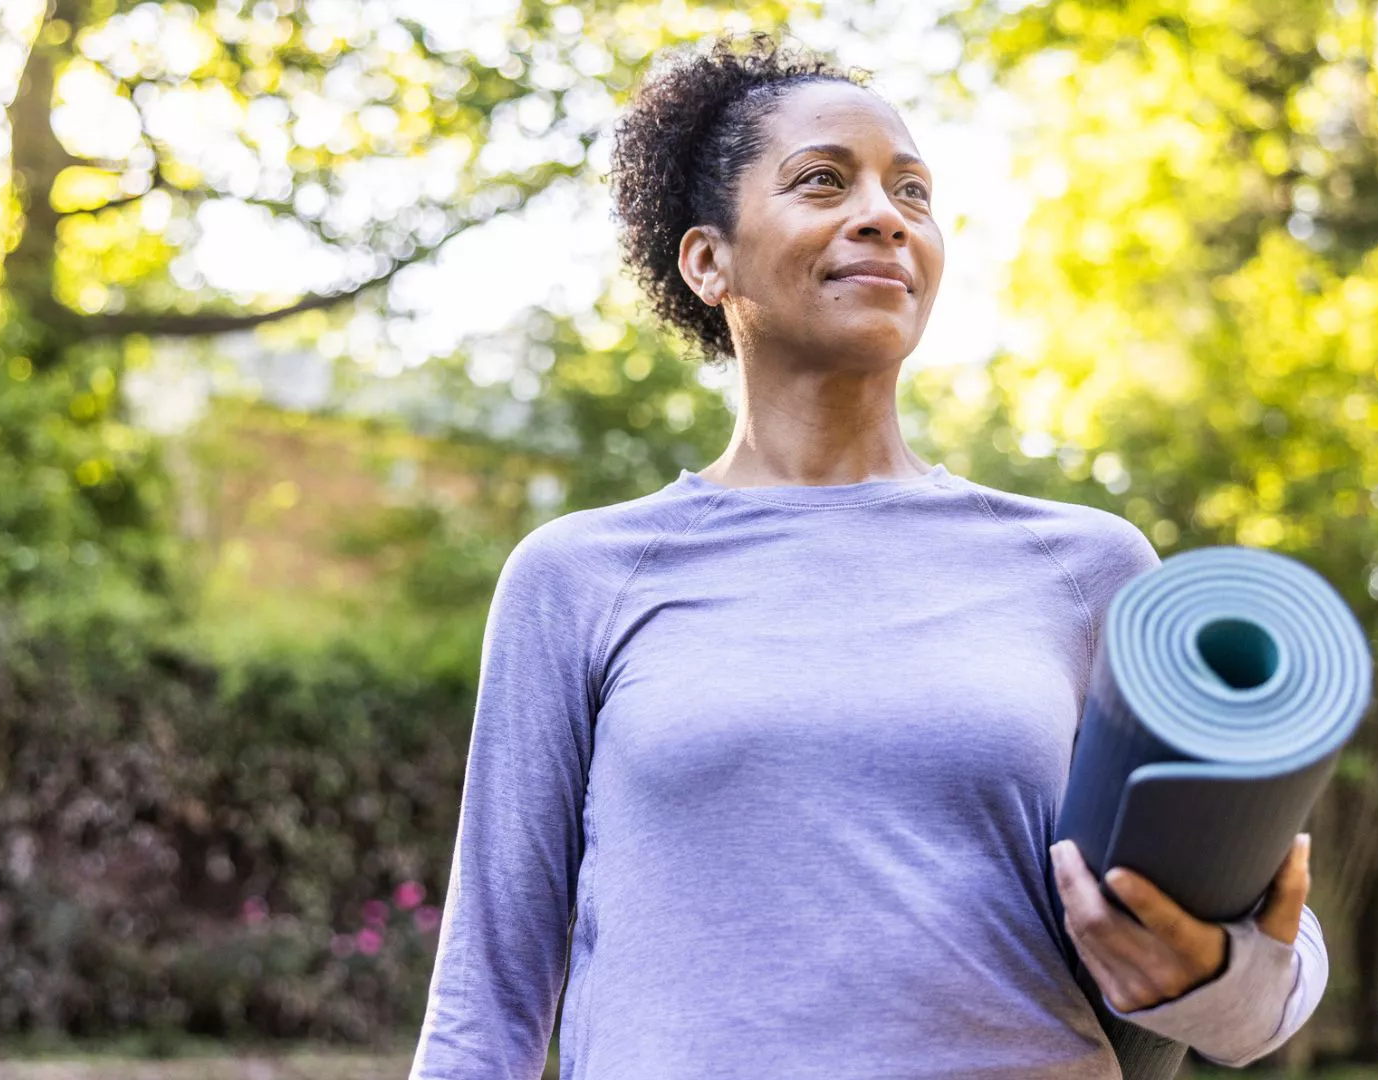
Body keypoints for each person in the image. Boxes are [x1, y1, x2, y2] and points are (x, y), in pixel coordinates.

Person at [408, 30, 1327, 1080]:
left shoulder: (1087, 568)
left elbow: (1263, 994)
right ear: (708, 259)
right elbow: (487, 1006)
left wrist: (1204, 967)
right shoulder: (580, 577)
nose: (886, 216)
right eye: (822, 181)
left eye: (914, 193)